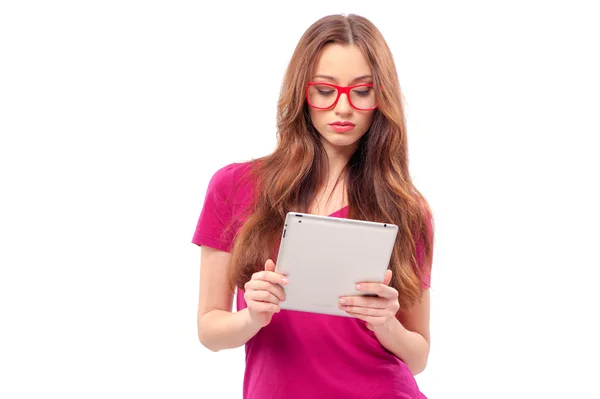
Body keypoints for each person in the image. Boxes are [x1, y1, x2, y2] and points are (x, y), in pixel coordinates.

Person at [192, 13, 435, 399]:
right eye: (325, 90)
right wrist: (253, 316)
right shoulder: (234, 187)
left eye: (362, 91)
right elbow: (210, 331)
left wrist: (386, 322)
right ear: (302, 93)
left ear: (381, 97)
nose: (343, 108)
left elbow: (418, 355)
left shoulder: (406, 208)